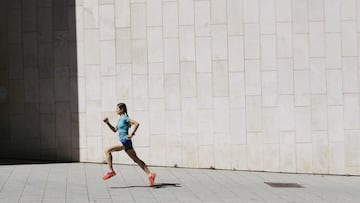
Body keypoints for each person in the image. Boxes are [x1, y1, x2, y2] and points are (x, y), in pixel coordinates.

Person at [102, 102, 156, 186]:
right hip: (126, 142)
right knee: (136, 159)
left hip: (125, 140)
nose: (115, 110)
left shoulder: (125, 118)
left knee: (107, 150)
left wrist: (132, 134)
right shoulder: (120, 119)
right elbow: (114, 130)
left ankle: (111, 171)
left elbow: (137, 123)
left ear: (122, 109)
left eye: (117, 109)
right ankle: (150, 175)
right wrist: (107, 123)